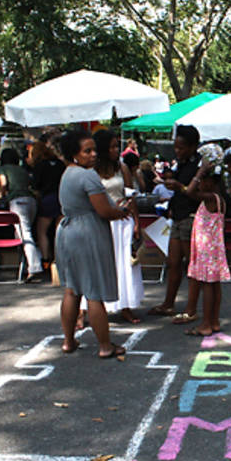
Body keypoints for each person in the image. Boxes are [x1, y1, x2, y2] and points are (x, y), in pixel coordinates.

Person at [55, 130, 130, 358]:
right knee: (93, 292)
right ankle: (105, 346)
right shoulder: (87, 176)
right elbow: (103, 210)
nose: (94, 154)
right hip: (86, 233)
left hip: (67, 232)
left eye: (93, 149)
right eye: (87, 151)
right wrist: (121, 212)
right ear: (74, 154)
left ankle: (69, 341)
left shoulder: (67, 173)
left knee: (72, 290)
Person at [81, 129, 144, 325]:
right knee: (95, 265)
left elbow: (129, 194)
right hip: (100, 221)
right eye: (112, 147)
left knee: (124, 263)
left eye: (117, 146)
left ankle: (125, 305)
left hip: (122, 221)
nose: (117, 150)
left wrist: (136, 221)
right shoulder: (89, 172)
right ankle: (83, 310)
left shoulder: (122, 167)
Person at [149, 125, 202, 320]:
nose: (177, 151)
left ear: (193, 146)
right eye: (176, 147)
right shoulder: (181, 163)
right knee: (173, 262)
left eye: (181, 148)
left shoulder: (200, 166)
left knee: (191, 264)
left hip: (191, 216)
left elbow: (198, 193)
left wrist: (180, 187)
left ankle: (191, 309)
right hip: (178, 215)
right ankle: (168, 303)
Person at [181, 161, 231, 336]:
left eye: (203, 181)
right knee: (214, 285)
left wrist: (200, 172)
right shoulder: (219, 199)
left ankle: (206, 323)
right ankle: (214, 320)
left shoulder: (211, 199)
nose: (200, 183)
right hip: (213, 249)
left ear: (211, 183)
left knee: (207, 285)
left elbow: (189, 191)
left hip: (207, 250)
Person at [0, 148, 43, 282]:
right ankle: (27, 264)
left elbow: (3, 185)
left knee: (25, 234)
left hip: (17, 202)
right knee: (26, 233)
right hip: (31, 200)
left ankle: (34, 267)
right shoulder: (22, 170)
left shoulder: (3, 169)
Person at [31, 141, 66, 267]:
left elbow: (35, 186)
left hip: (46, 200)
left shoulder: (40, 166)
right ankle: (58, 260)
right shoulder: (61, 164)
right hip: (61, 198)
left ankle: (46, 260)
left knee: (42, 231)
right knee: (59, 232)